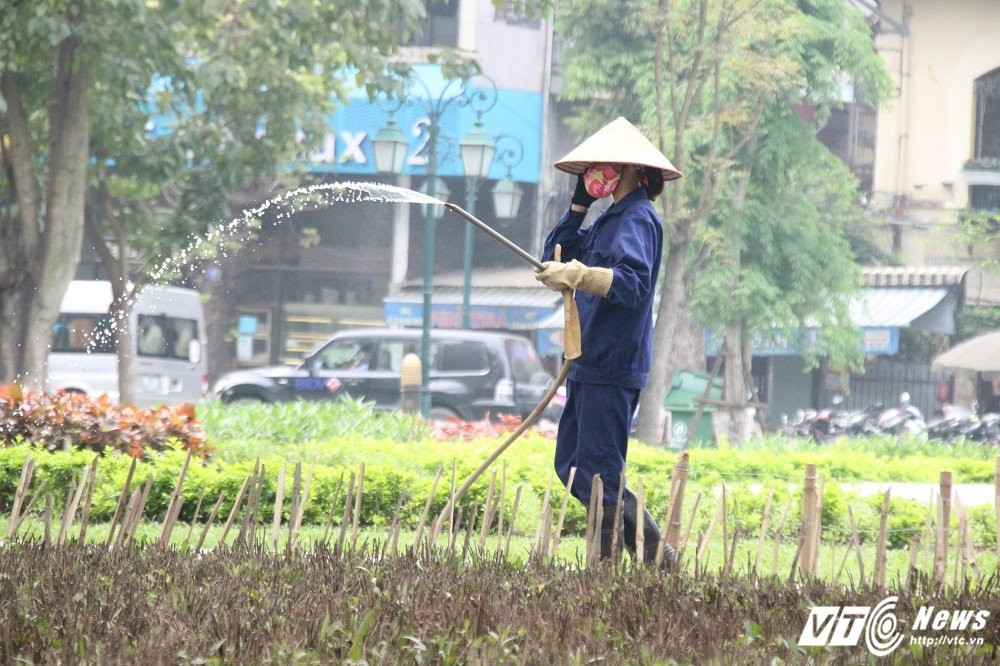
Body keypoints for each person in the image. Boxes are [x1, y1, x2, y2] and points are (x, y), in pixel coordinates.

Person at [535, 117, 682, 564]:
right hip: (588, 358)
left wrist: (579, 274)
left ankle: (618, 565)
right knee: (574, 467)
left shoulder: (638, 218)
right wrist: (578, 207)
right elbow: (552, 260)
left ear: (632, 170)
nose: (595, 172)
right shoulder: (607, 219)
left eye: (602, 165)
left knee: (601, 473)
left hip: (613, 362)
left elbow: (632, 283)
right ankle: (654, 553)